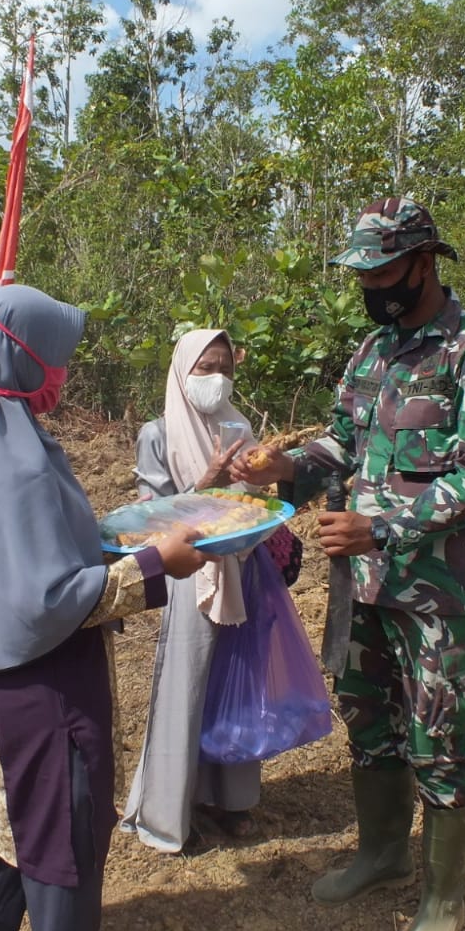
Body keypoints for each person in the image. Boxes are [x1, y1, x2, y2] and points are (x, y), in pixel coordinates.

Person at [232, 197, 465, 931]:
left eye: (384, 269)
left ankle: (444, 901)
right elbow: (340, 443)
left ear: (426, 261)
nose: (372, 285)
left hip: (435, 591)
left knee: (440, 733)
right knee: (368, 717)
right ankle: (383, 853)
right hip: (361, 584)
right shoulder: (373, 352)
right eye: (362, 273)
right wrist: (284, 470)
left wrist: (382, 527)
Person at [0, 284, 214, 931]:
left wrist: (103, 541)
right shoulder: (17, 466)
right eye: (57, 357)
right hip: (43, 699)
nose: (64, 372)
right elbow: (45, 602)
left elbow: (25, 560)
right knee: (60, 845)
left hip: (3, 691)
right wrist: (157, 564)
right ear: (22, 361)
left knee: (6, 824)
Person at [120, 328, 280, 852]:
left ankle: (231, 800)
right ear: (182, 372)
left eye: (226, 367)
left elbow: (254, 500)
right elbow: (151, 518)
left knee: (235, 687)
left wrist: (259, 476)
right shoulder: (158, 434)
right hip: (191, 577)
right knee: (187, 687)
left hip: (243, 570)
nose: (218, 378)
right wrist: (206, 483)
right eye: (205, 367)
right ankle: (168, 813)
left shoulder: (238, 424)